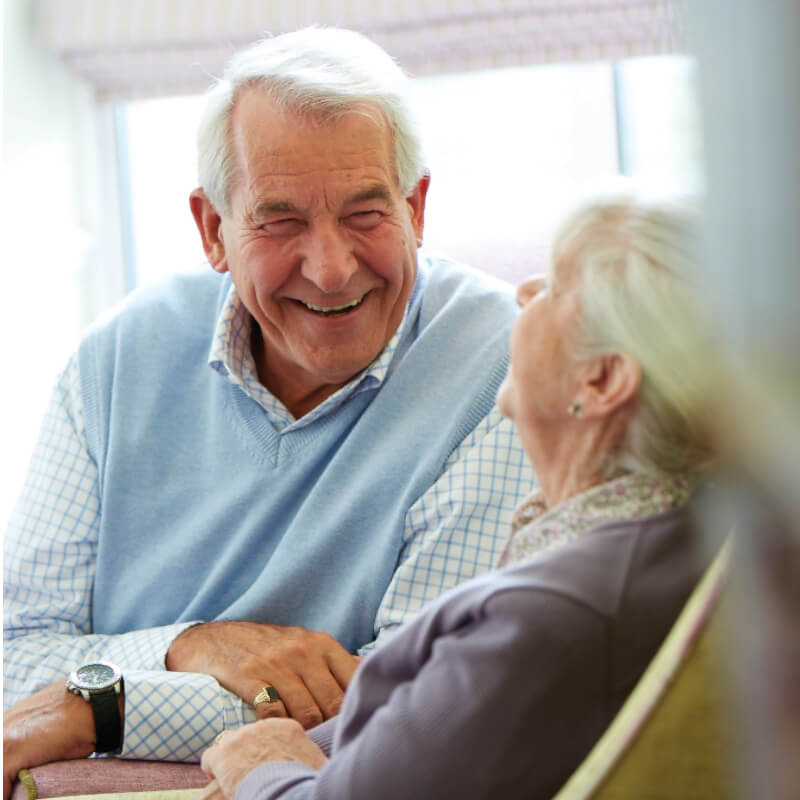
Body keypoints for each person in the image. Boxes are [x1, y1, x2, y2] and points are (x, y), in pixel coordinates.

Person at [2, 26, 534, 792]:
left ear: (416, 207)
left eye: (365, 214)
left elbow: (412, 699)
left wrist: (103, 707)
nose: (331, 266)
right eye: (280, 220)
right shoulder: (117, 358)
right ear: (214, 229)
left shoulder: (504, 370)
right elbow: (12, 653)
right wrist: (188, 646)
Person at [191, 188, 725, 800]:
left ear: (600, 380)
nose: (522, 293)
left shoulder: (558, 611)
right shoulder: (674, 539)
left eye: (554, 287)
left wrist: (262, 769)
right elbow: (441, 738)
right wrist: (301, 754)